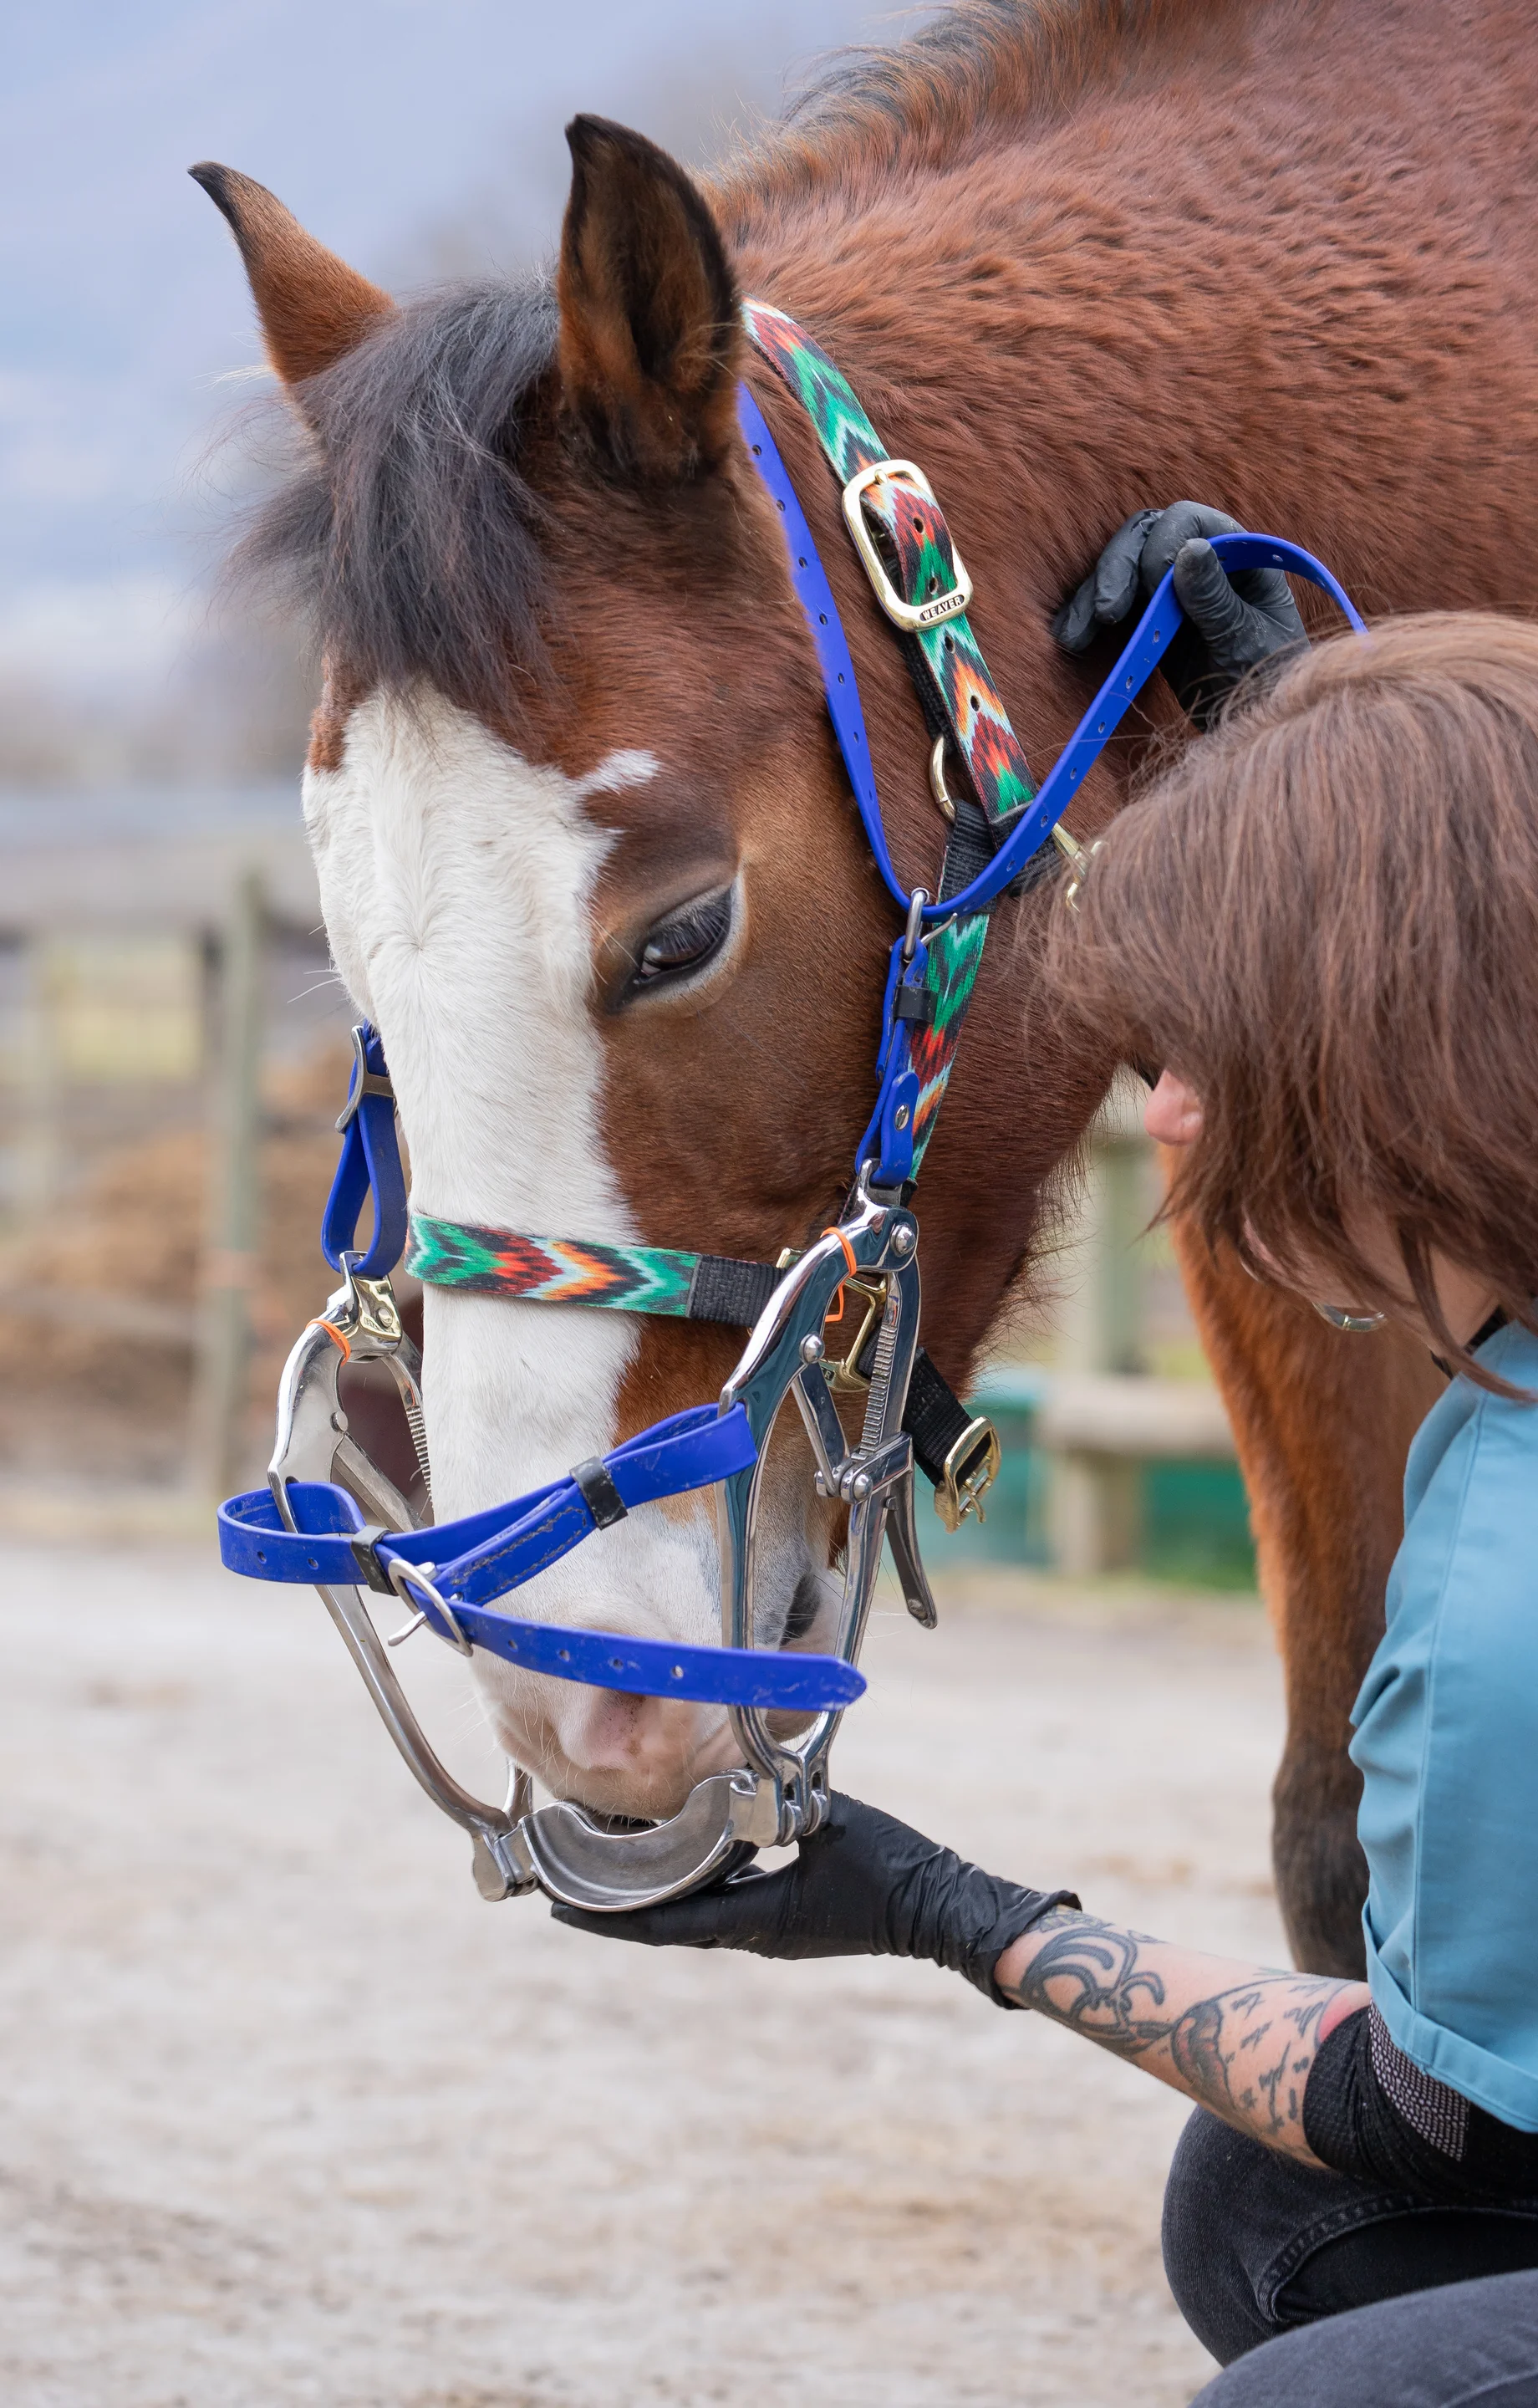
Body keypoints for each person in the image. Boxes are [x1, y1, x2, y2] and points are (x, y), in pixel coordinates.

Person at [553, 506, 1538, 2400]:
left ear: (1422, 1051)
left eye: (1224, 1050)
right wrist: (1341, 758)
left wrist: (946, 1913)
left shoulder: (1507, 1589)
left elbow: (1445, 2129)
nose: (1164, 1118)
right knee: (1263, 2213)